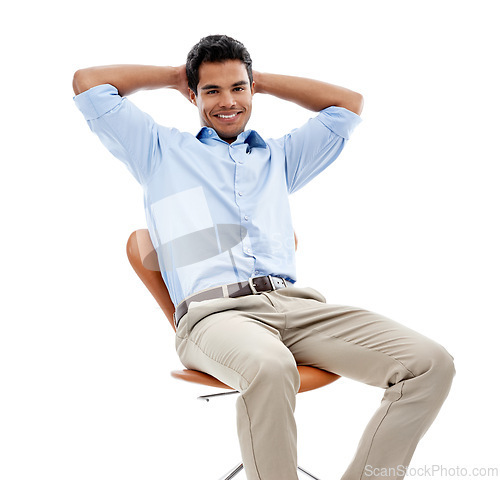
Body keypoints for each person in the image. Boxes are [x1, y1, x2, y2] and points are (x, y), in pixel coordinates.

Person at [73, 35, 455, 480]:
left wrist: (259, 81)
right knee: (271, 367)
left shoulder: (280, 158)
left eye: (238, 88)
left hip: (297, 307)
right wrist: (176, 77)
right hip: (215, 318)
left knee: (431, 363)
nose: (228, 101)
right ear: (193, 96)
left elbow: (347, 106)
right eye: (211, 90)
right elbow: (89, 85)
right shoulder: (159, 151)